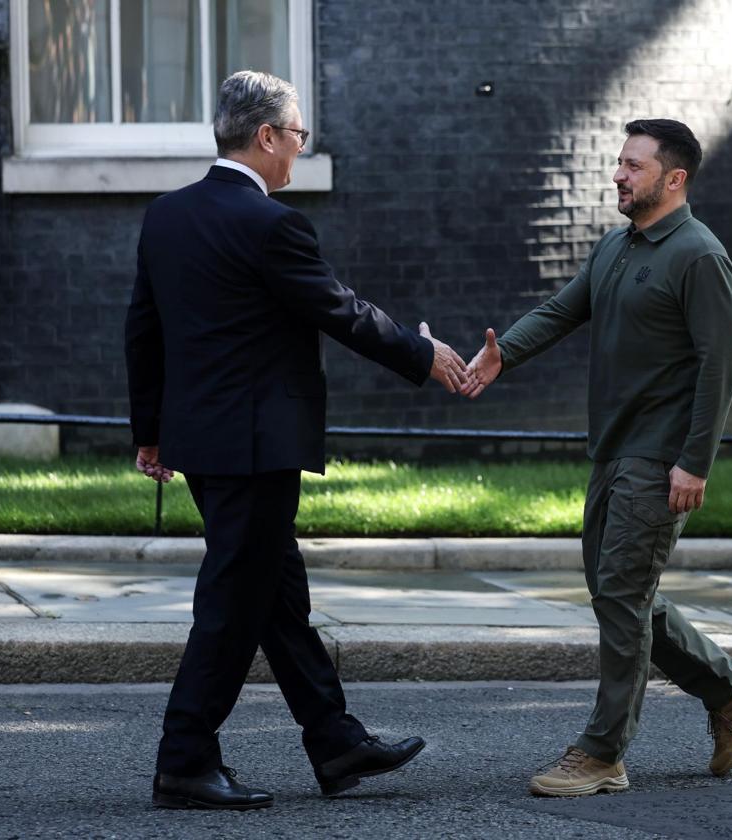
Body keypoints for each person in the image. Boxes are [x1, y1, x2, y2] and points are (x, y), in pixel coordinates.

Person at [125, 70, 473, 810]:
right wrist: (425, 355)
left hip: (204, 442)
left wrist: (150, 432)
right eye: (298, 137)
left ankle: (335, 741)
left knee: (277, 597)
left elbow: (143, 330)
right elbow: (338, 309)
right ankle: (183, 758)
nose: (300, 151)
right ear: (266, 137)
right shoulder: (270, 224)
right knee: (232, 604)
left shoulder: (168, 216)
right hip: (257, 444)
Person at [463, 119, 732, 797]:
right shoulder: (616, 246)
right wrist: (502, 353)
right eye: (620, 163)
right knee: (620, 594)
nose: (619, 174)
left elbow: (722, 367)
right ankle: (731, 688)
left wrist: (696, 461)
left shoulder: (699, 256)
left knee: (624, 597)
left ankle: (603, 752)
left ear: (673, 178)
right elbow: (563, 309)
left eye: (634, 165)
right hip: (612, 449)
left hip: (659, 458)